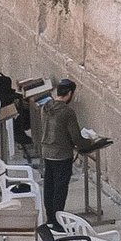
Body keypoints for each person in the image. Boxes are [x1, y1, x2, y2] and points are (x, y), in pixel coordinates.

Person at [36, 77, 84, 229]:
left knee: (49, 185)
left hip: (47, 152)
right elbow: (75, 136)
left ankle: (50, 217)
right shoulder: (67, 112)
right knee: (60, 188)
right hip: (61, 154)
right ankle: (57, 220)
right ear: (69, 93)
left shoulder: (46, 106)